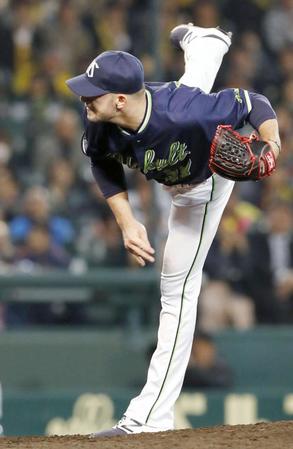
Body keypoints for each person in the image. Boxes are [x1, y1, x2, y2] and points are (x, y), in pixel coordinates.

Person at [66, 23, 281, 436]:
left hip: (205, 183)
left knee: (177, 288)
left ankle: (148, 418)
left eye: (92, 93)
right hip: (172, 162)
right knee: (189, 97)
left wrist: (271, 145)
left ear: (121, 98)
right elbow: (101, 161)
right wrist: (128, 221)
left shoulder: (187, 112)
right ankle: (207, 41)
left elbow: (253, 101)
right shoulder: (100, 117)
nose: (84, 98)